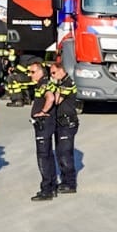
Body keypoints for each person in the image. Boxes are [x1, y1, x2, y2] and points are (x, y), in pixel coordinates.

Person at [30, 59, 79, 201]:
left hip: (67, 123)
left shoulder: (67, 83)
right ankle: (63, 182)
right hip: (59, 123)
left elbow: (55, 100)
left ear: (61, 70)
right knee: (58, 153)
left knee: (64, 154)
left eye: (54, 73)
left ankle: (70, 183)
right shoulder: (58, 83)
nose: (52, 76)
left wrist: (42, 111)